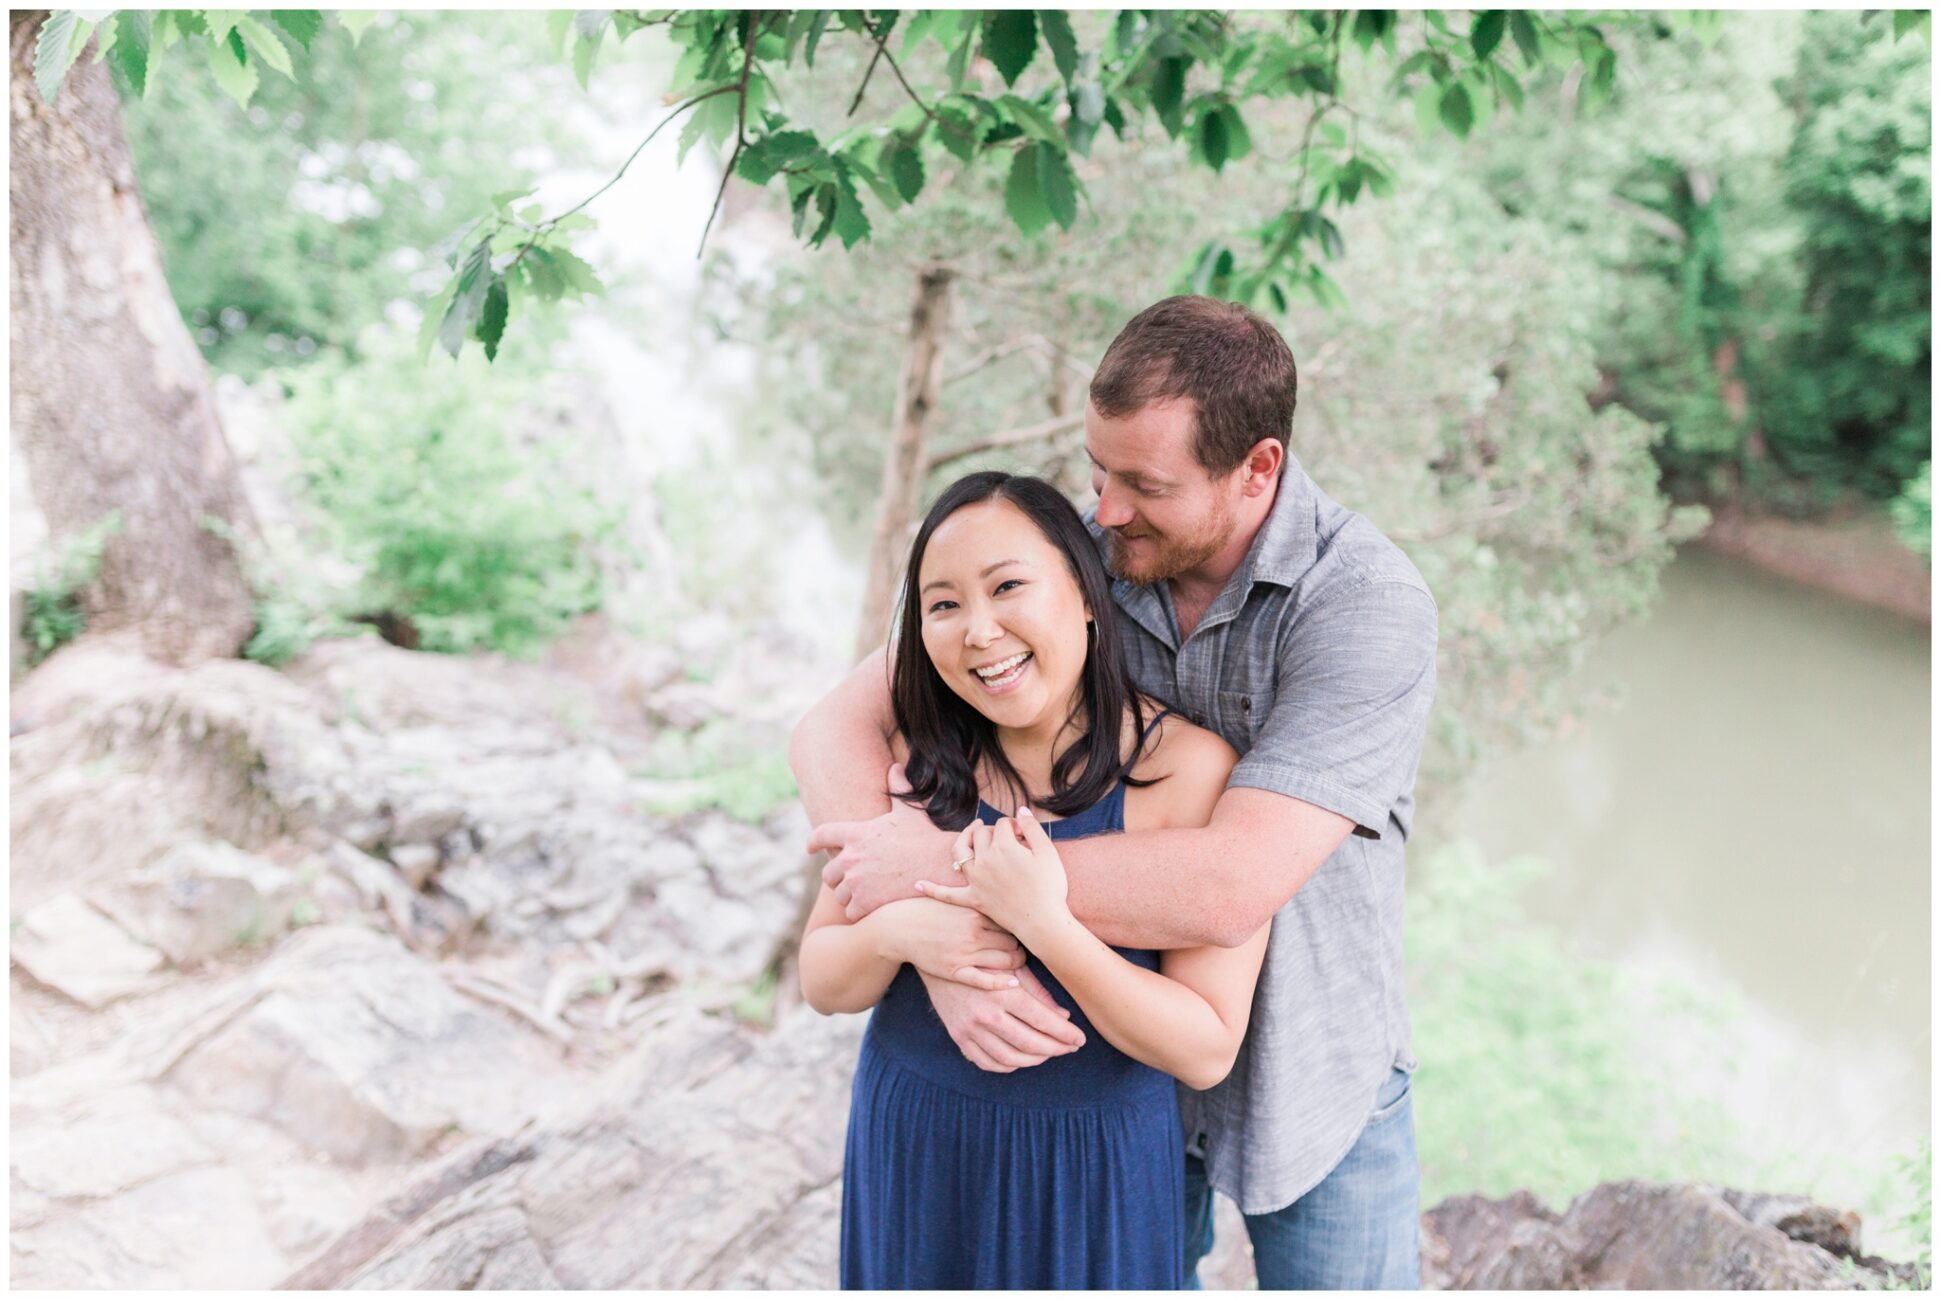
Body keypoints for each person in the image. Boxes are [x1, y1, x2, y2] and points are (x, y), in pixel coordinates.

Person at [793, 296, 1439, 1289]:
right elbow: (835, 725)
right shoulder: (1069, 554)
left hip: (1306, 1068)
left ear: (1256, 469)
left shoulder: (1364, 605)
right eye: (1097, 471)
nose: (1106, 508)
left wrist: (953, 869)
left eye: (1143, 483)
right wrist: (942, 948)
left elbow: (1231, 883)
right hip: (1100, 1069)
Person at [797, 471, 1266, 1289]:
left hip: (1091, 1173)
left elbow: (1205, 1047)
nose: (979, 631)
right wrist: (900, 932)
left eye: (1008, 587)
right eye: (942, 605)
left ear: (1087, 595)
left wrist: (1043, 924)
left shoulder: (1187, 771)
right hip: (917, 1141)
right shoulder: (915, 757)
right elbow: (823, 980)